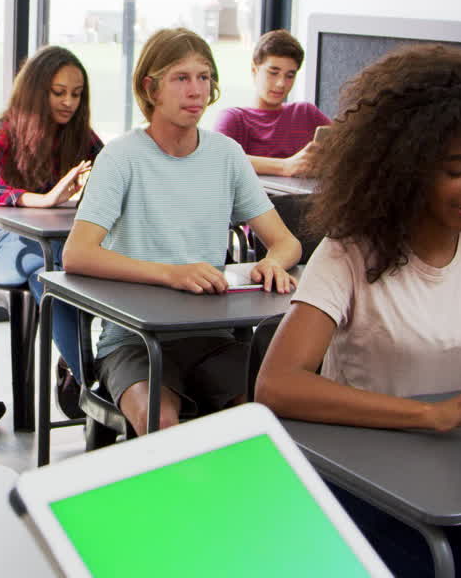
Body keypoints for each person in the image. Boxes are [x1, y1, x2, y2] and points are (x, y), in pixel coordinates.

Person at [256, 44, 461, 577]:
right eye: (456, 170)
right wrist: (430, 416)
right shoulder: (350, 252)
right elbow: (277, 385)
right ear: (406, 166)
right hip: (364, 478)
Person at [61, 27, 301, 435]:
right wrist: (172, 273)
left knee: (262, 421)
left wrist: (273, 262)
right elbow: (77, 254)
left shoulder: (227, 155)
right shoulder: (120, 158)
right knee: (163, 424)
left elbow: (286, 242)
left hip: (210, 338)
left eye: (204, 77)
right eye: (181, 78)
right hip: (133, 340)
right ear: (150, 88)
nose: (197, 91)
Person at [0, 45, 103, 398]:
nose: (68, 102)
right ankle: (92, 381)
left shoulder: (79, 134)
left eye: (76, 94)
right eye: (58, 93)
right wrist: (39, 199)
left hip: (47, 244)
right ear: (36, 91)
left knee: (81, 262)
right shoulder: (5, 128)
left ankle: (84, 370)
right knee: (50, 265)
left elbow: (117, 166)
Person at [214, 29, 331, 176]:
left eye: (290, 76)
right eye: (273, 73)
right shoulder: (234, 118)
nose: (281, 83)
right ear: (254, 70)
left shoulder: (305, 112)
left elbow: (349, 143)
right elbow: (219, 158)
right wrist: (285, 166)